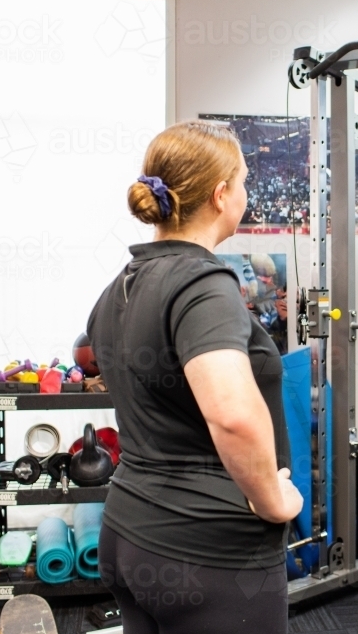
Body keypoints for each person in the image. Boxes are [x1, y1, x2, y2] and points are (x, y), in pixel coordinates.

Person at [87, 120, 303, 634]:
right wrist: (276, 502)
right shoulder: (204, 283)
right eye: (244, 182)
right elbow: (230, 414)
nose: (247, 195)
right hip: (208, 553)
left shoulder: (119, 287)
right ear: (221, 193)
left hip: (129, 534)